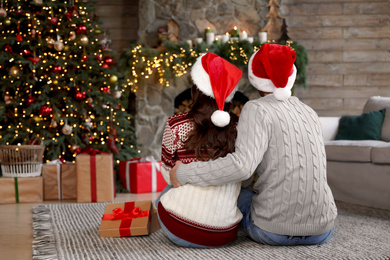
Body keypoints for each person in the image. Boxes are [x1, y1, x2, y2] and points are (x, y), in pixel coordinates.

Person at [170, 43, 338, 246]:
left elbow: (241, 168)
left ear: (255, 78)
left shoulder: (256, 109)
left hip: (273, 231)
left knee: (234, 193)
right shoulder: (309, 111)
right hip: (323, 230)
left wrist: (184, 173)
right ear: (291, 76)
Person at [156, 52, 244, 248]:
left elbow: (168, 175)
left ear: (195, 89)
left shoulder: (175, 124)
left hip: (181, 230)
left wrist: (185, 170)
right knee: (243, 196)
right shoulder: (239, 127)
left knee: (162, 196)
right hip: (225, 235)